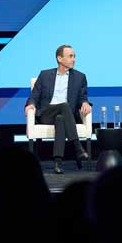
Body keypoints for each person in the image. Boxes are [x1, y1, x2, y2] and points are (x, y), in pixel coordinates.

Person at [25, 44, 92, 174]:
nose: (74, 59)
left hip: (65, 116)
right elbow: (34, 96)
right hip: (46, 113)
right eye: (70, 56)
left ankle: (58, 162)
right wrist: (31, 104)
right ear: (59, 58)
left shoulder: (80, 77)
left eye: (74, 56)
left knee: (61, 118)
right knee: (64, 105)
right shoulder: (44, 75)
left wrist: (85, 103)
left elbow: (82, 97)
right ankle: (77, 146)